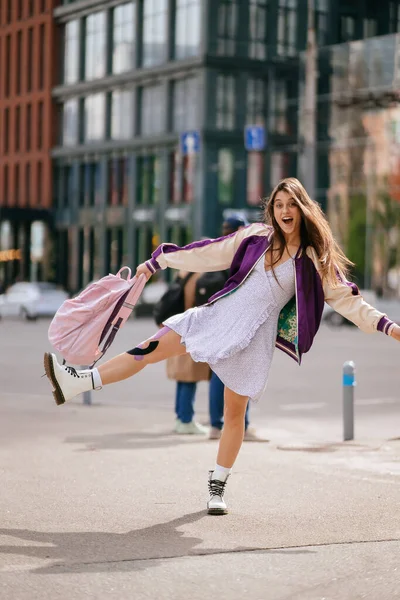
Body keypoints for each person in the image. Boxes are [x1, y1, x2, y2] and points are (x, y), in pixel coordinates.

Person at [43, 177, 400, 516]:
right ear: (271, 211)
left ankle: (218, 485)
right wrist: (160, 260)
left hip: (252, 338)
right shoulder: (256, 237)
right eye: (278, 205)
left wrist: (389, 327)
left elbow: (348, 300)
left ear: (304, 209)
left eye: (291, 204)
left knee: (233, 416)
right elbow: (209, 252)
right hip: (216, 315)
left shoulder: (312, 259)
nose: (284, 210)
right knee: (148, 349)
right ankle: (79, 381)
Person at [167, 270, 210, 435]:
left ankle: (180, 418)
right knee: (188, 378)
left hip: (176, 328)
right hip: (190, 329)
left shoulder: (181, 273)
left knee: (182, 377)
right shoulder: (199, 276)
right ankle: (186, 420)